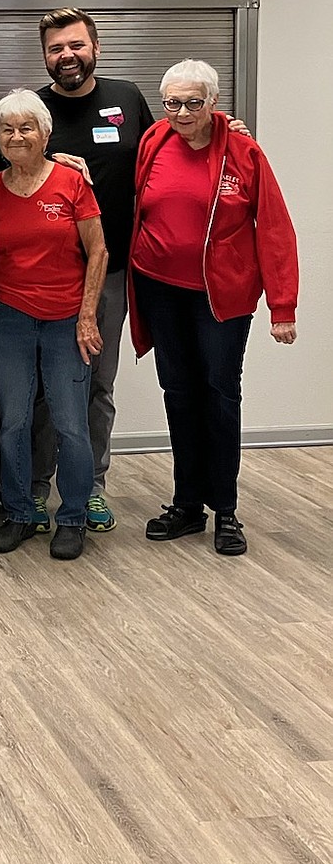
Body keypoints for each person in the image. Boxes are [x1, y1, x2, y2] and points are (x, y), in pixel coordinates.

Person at [130, 60, 298, 557]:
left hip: (220, 296)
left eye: (193, 103)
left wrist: (282, 306)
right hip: (160, 287)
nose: (182, 113)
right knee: (178, 393)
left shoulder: (244, 152)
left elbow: (273, 227)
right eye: (173, 103)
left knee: (219, 395)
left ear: (214, 102)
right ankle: (186, 504)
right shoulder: (153, 141)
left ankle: (225, 508)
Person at [0, 90, 107, 562]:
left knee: (71, 423)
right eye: (7, 129)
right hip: (8, 316)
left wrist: (88, 315)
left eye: (26, 128)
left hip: (65, 318)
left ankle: (73, 517)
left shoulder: (72, 182)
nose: (16, 136)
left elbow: (98, 251)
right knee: (12, 420)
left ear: (45, 133)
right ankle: (19, 512)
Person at [30, 8, 155, 535]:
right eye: (57, 48)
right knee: (41, 387)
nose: (67, 56)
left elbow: (165, 155)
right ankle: (36, 487)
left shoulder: (128, 99)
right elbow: (6, 175)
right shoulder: (33, 109)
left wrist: (224, 126)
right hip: (45, 274)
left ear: (95, 47)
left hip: (110, 273)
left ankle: (93, 486)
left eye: (76, 45)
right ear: (45, 56)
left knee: (98, 385)